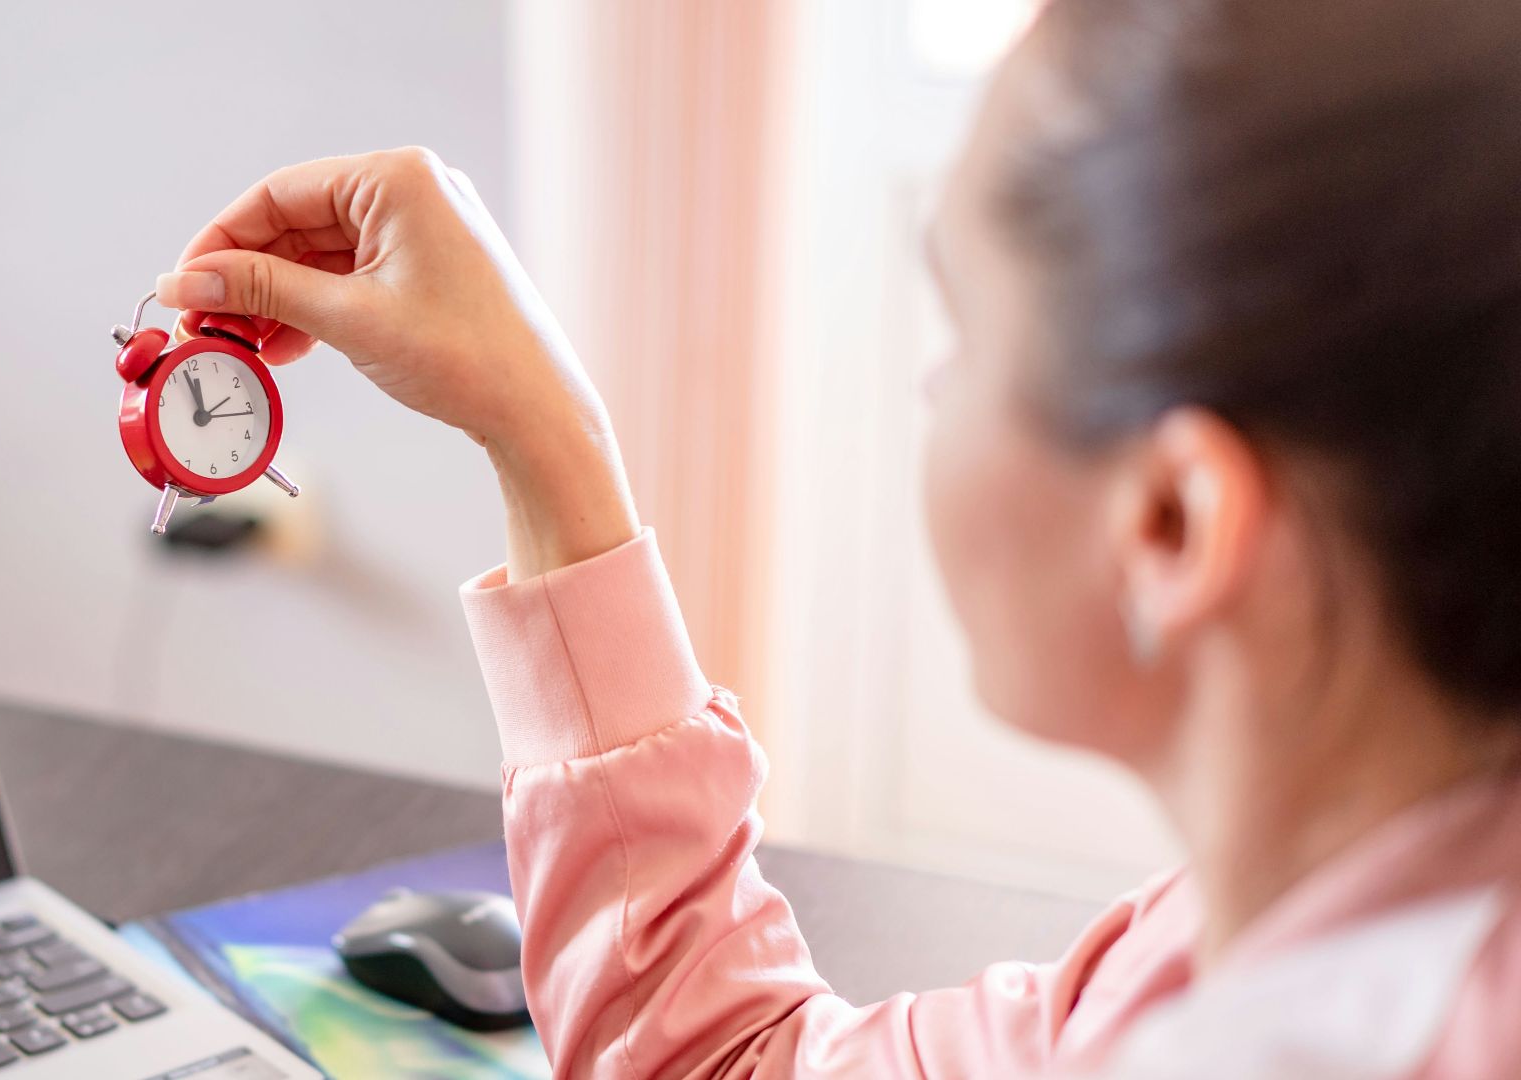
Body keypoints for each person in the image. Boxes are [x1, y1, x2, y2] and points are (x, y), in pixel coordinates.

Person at [153, 0, 1521, 1073]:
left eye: (968, 337)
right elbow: (732, 1067)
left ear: (1173, 522)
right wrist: (541, 430)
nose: (933, 388)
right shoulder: (1260, 943)